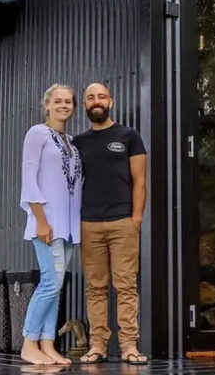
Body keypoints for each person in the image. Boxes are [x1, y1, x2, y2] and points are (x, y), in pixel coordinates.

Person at [73, 82, 148, 365]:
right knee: (95, 288)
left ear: (111, 101)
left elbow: (140, 180)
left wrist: (136, 219)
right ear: (84, 105)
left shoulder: (129, 136)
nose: (96, 101)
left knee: (126, 286)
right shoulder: (78, 143)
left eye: (101, 96)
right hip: (89, 223)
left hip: (122, 223)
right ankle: (98, 346)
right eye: (90, 97)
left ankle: (129, 346)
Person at [19, 84, 82, 365]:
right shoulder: (37, 134)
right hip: (47, 223)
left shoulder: (71, 142)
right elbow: (29, 179)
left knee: (56, 285)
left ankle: (47, 344)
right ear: (47, 105)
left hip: (67, 227)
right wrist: (41, 219)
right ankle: (29, 342)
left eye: (68, 101)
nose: (63, 105)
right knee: (50, 282)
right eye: (57, 101)